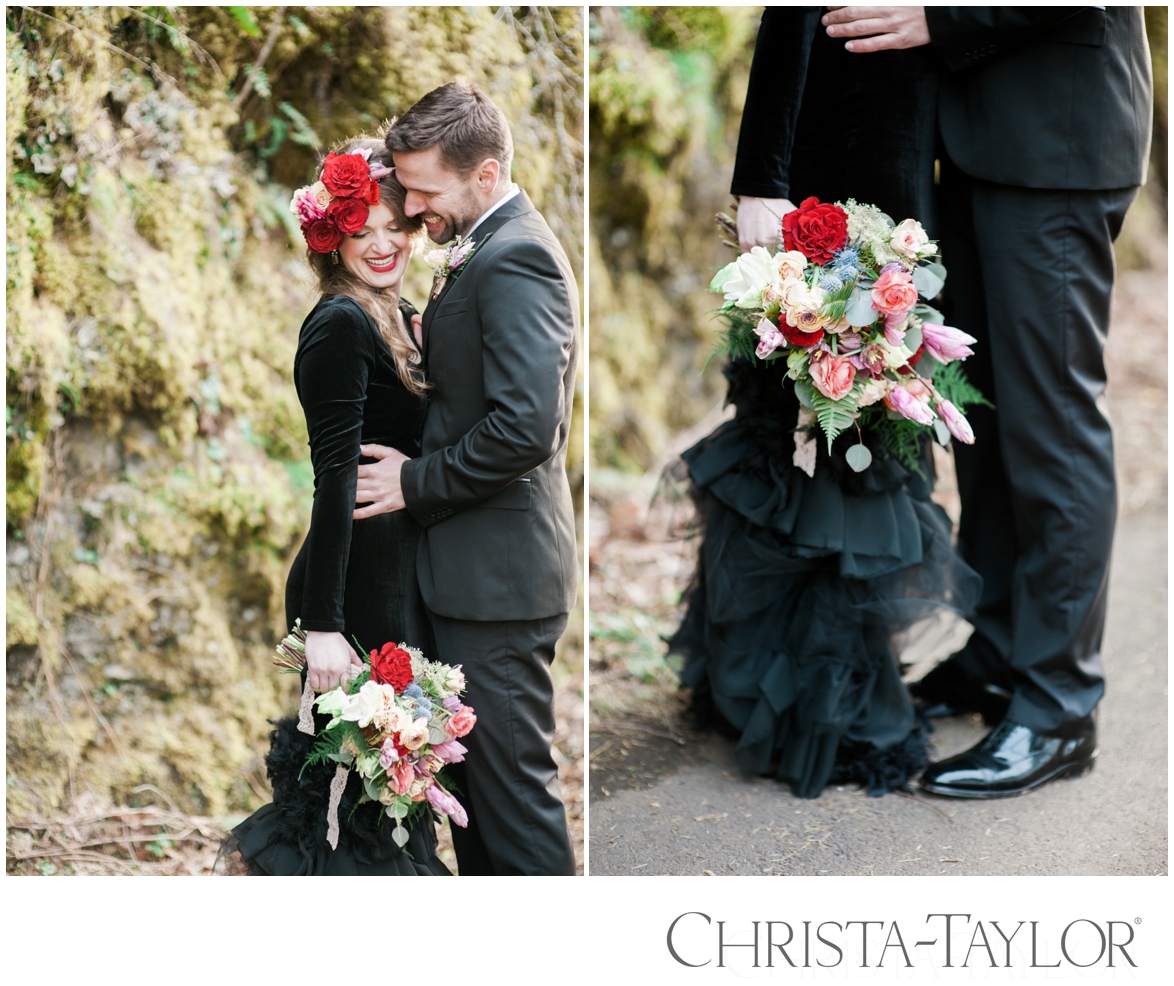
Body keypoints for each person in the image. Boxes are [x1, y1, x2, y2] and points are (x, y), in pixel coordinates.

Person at [822, 5, 1152, 797]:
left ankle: (1061, 705)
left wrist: (941, 16)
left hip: (1058, 138)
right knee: (988, 415)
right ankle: (1001, 649)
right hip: (973, 141)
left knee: (1054, 429)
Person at [667, 7, 980, 800]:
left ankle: (835, 688)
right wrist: (760, 179)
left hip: (903, 177)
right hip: (823, 170)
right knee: (798, 431)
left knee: (868, 430)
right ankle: (792, 698)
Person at [352, 82, 578, 875]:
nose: (410, 209)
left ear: (484, 174)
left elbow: (527, 427)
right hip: (473, 579)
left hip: (502, 583)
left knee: (514, 811)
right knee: (479, 809)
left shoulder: (517, 257)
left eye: (422, 189)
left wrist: (416, 483)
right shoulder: (485, 241)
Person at [223, 135, 450, 875]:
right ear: (333, 239)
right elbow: (332, 479)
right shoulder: (340, 324)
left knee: (384, 787)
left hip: (395, 578)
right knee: (350, 794)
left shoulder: (398, 310)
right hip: (350, 592)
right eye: (362, 233)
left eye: (395, 227)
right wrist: (323, 627)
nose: (383, 245)